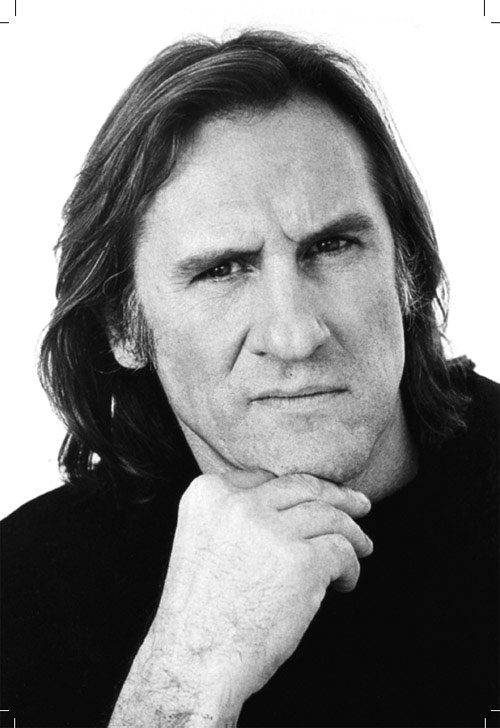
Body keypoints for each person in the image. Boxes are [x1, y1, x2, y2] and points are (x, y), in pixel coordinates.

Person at [1, 30, 498, 728]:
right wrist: (188, 675)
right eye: (222, 270)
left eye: (332, 246)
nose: (294, 334)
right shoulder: (25, 593)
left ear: (407, 269)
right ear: (124, 328)